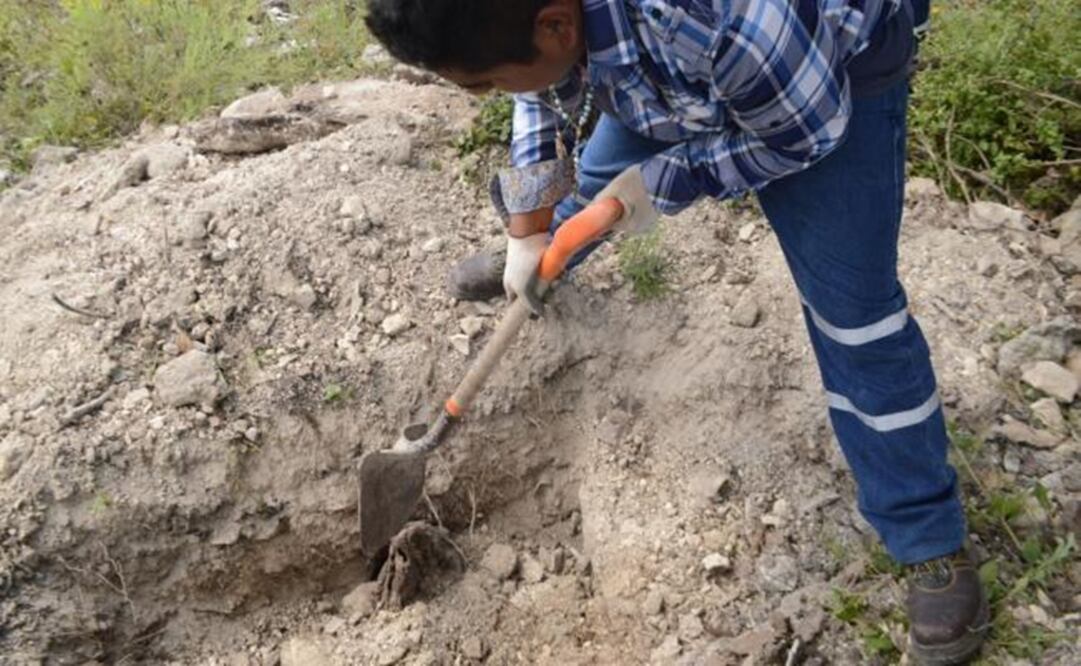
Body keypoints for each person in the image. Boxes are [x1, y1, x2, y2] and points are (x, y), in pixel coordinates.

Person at [366, 1, 987, 663]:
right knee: (594, 187)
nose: (487, 94)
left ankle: (927, 539)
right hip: (672, 67)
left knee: (854, 319)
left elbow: (801, 134)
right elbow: (539, 90)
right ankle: (547, 262)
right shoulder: (530, 23)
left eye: (485, 82)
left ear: (556, 26)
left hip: (819, 88)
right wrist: (528, 229)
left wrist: (655, 185)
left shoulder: (731, 22)